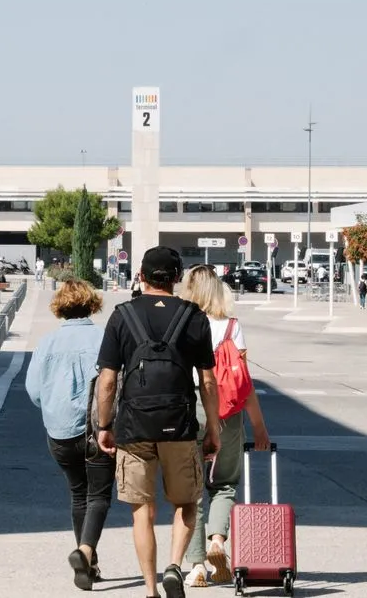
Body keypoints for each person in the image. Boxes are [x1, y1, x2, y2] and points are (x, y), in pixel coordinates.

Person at [96, 247, 220, 598]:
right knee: (187, 502)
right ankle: (173, 566)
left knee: (142, 512)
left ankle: (150, 590)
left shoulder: (122, 316)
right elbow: (208, 381)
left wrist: (105, 425)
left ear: (141, 275)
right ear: (177, 277)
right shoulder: (194, 317)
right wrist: (213, 427)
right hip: (179, 426)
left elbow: (108, 380)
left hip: (134, 428)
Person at [178, 265, 271, 588]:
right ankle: (218, 541)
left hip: (192, 410)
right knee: (225, 483)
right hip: (229, 414)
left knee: (192, 490)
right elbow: (243, 384)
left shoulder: (183, 324)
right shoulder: (232, 328)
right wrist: (259, 427)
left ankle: (198, 564)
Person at [25, 280, 111, 591]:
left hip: (59, 432)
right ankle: (86, 553)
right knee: (98, 495)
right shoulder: (104, 339)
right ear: (91, 304)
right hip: (96, 430)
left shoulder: (46, 342)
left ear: (60, 306)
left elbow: (33, 391)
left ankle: (88, 563)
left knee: (78, 493)